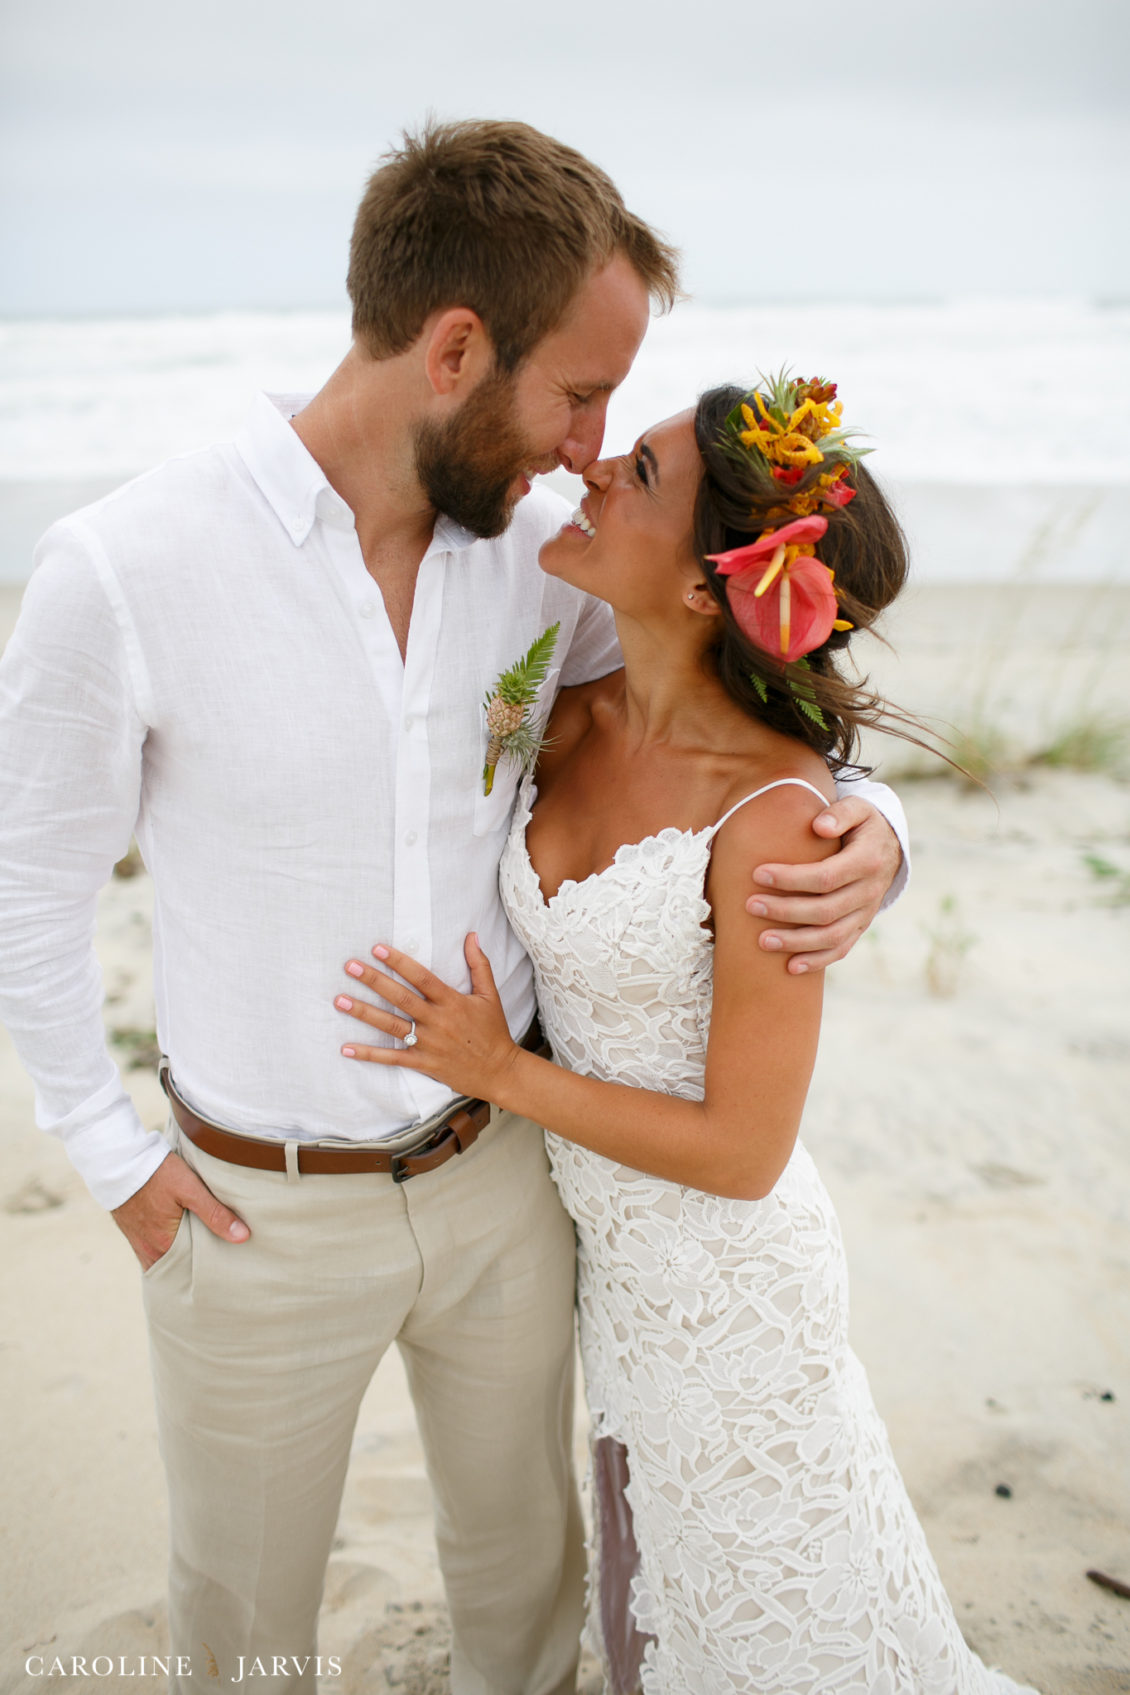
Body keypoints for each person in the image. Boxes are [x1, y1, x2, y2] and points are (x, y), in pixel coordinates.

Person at [0, 125, 906, 1695]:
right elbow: (26, 888)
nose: (587, 445)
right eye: (576, 394)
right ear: (455, 348)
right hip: (249, 1210)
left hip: (507, 1190)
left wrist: (874, 829)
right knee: (244, 1632)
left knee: (527, 1594)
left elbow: (726, 723)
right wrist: (108, 1154)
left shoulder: (545, 570)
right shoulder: (124, 568)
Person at [330, 377, 1041, 1694]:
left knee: (760, 1622)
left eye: (639, 474)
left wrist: (501, 1072)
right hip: (606, 1266)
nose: (595, 473)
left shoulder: (775, 820)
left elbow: (742, 1151)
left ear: (720, 588)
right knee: (659, 1601)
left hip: (727, 1286)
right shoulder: (564, 710)